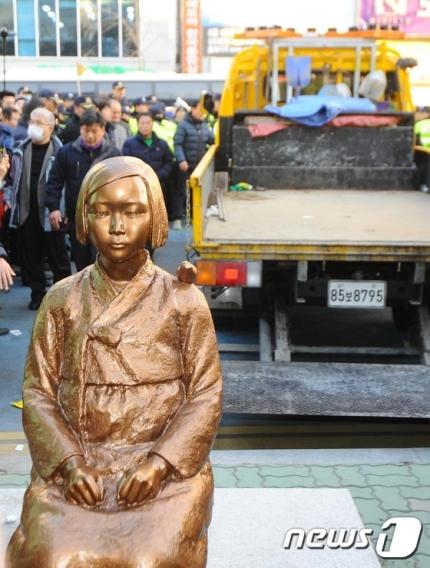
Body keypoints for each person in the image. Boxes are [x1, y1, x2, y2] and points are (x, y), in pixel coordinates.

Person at [6, 156, 223, 567]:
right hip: (81, 461)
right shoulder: (62, 299)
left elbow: (205, 394)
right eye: (103, 212)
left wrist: (160, 464)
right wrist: (70, 463)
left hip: (160, 468)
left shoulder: (183, 301)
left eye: (133, 212)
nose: (118, 226)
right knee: (52, 556)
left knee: (151, 558)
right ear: (85, 218)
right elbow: (38, 393)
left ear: (154, 217)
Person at [4, 108, 71, 310]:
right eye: (32, 121)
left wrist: (62, 210)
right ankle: (37, 294)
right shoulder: (20, 150)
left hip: (51, 213)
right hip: (26, 212)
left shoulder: (61, 152)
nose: (33, 126)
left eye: (39, 123)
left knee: (58, 258)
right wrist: (9, 199)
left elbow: (66, 185)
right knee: (31, 257)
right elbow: (11, 180)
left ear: (50, 127)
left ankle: (63, 297)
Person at [46, 110, 121, 271]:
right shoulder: (66, 152)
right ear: (80, 129)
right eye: (86, 130)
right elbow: (55, 181)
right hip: (77, 216)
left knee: (103, 259)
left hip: (105, 217)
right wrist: (54, 208)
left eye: (94, 130)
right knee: (81, 261)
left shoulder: (113, 154)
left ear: (103, 129)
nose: (90, 135)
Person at [173, 99, 214, 229]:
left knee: (196, 193)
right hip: (186, 166)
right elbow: (178, 144)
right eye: (200, 109)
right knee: (181, 192)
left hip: (199, 168)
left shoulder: (205, 125)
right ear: (193, 109)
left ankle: (193, 218)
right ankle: (178, 218)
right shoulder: (183, 125)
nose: (202, 113)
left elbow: (211, 140)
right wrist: (181, 160)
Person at [122, 112, 173, 203]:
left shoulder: (162, 143)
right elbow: (126, 164)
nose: (145, 126)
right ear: (137, 124)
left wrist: (160, 175)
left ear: (153, 124)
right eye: (142, 123)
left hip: (159, 185)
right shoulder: (129, 144)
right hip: (137, 187)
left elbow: (169, 161)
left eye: (148, 123)